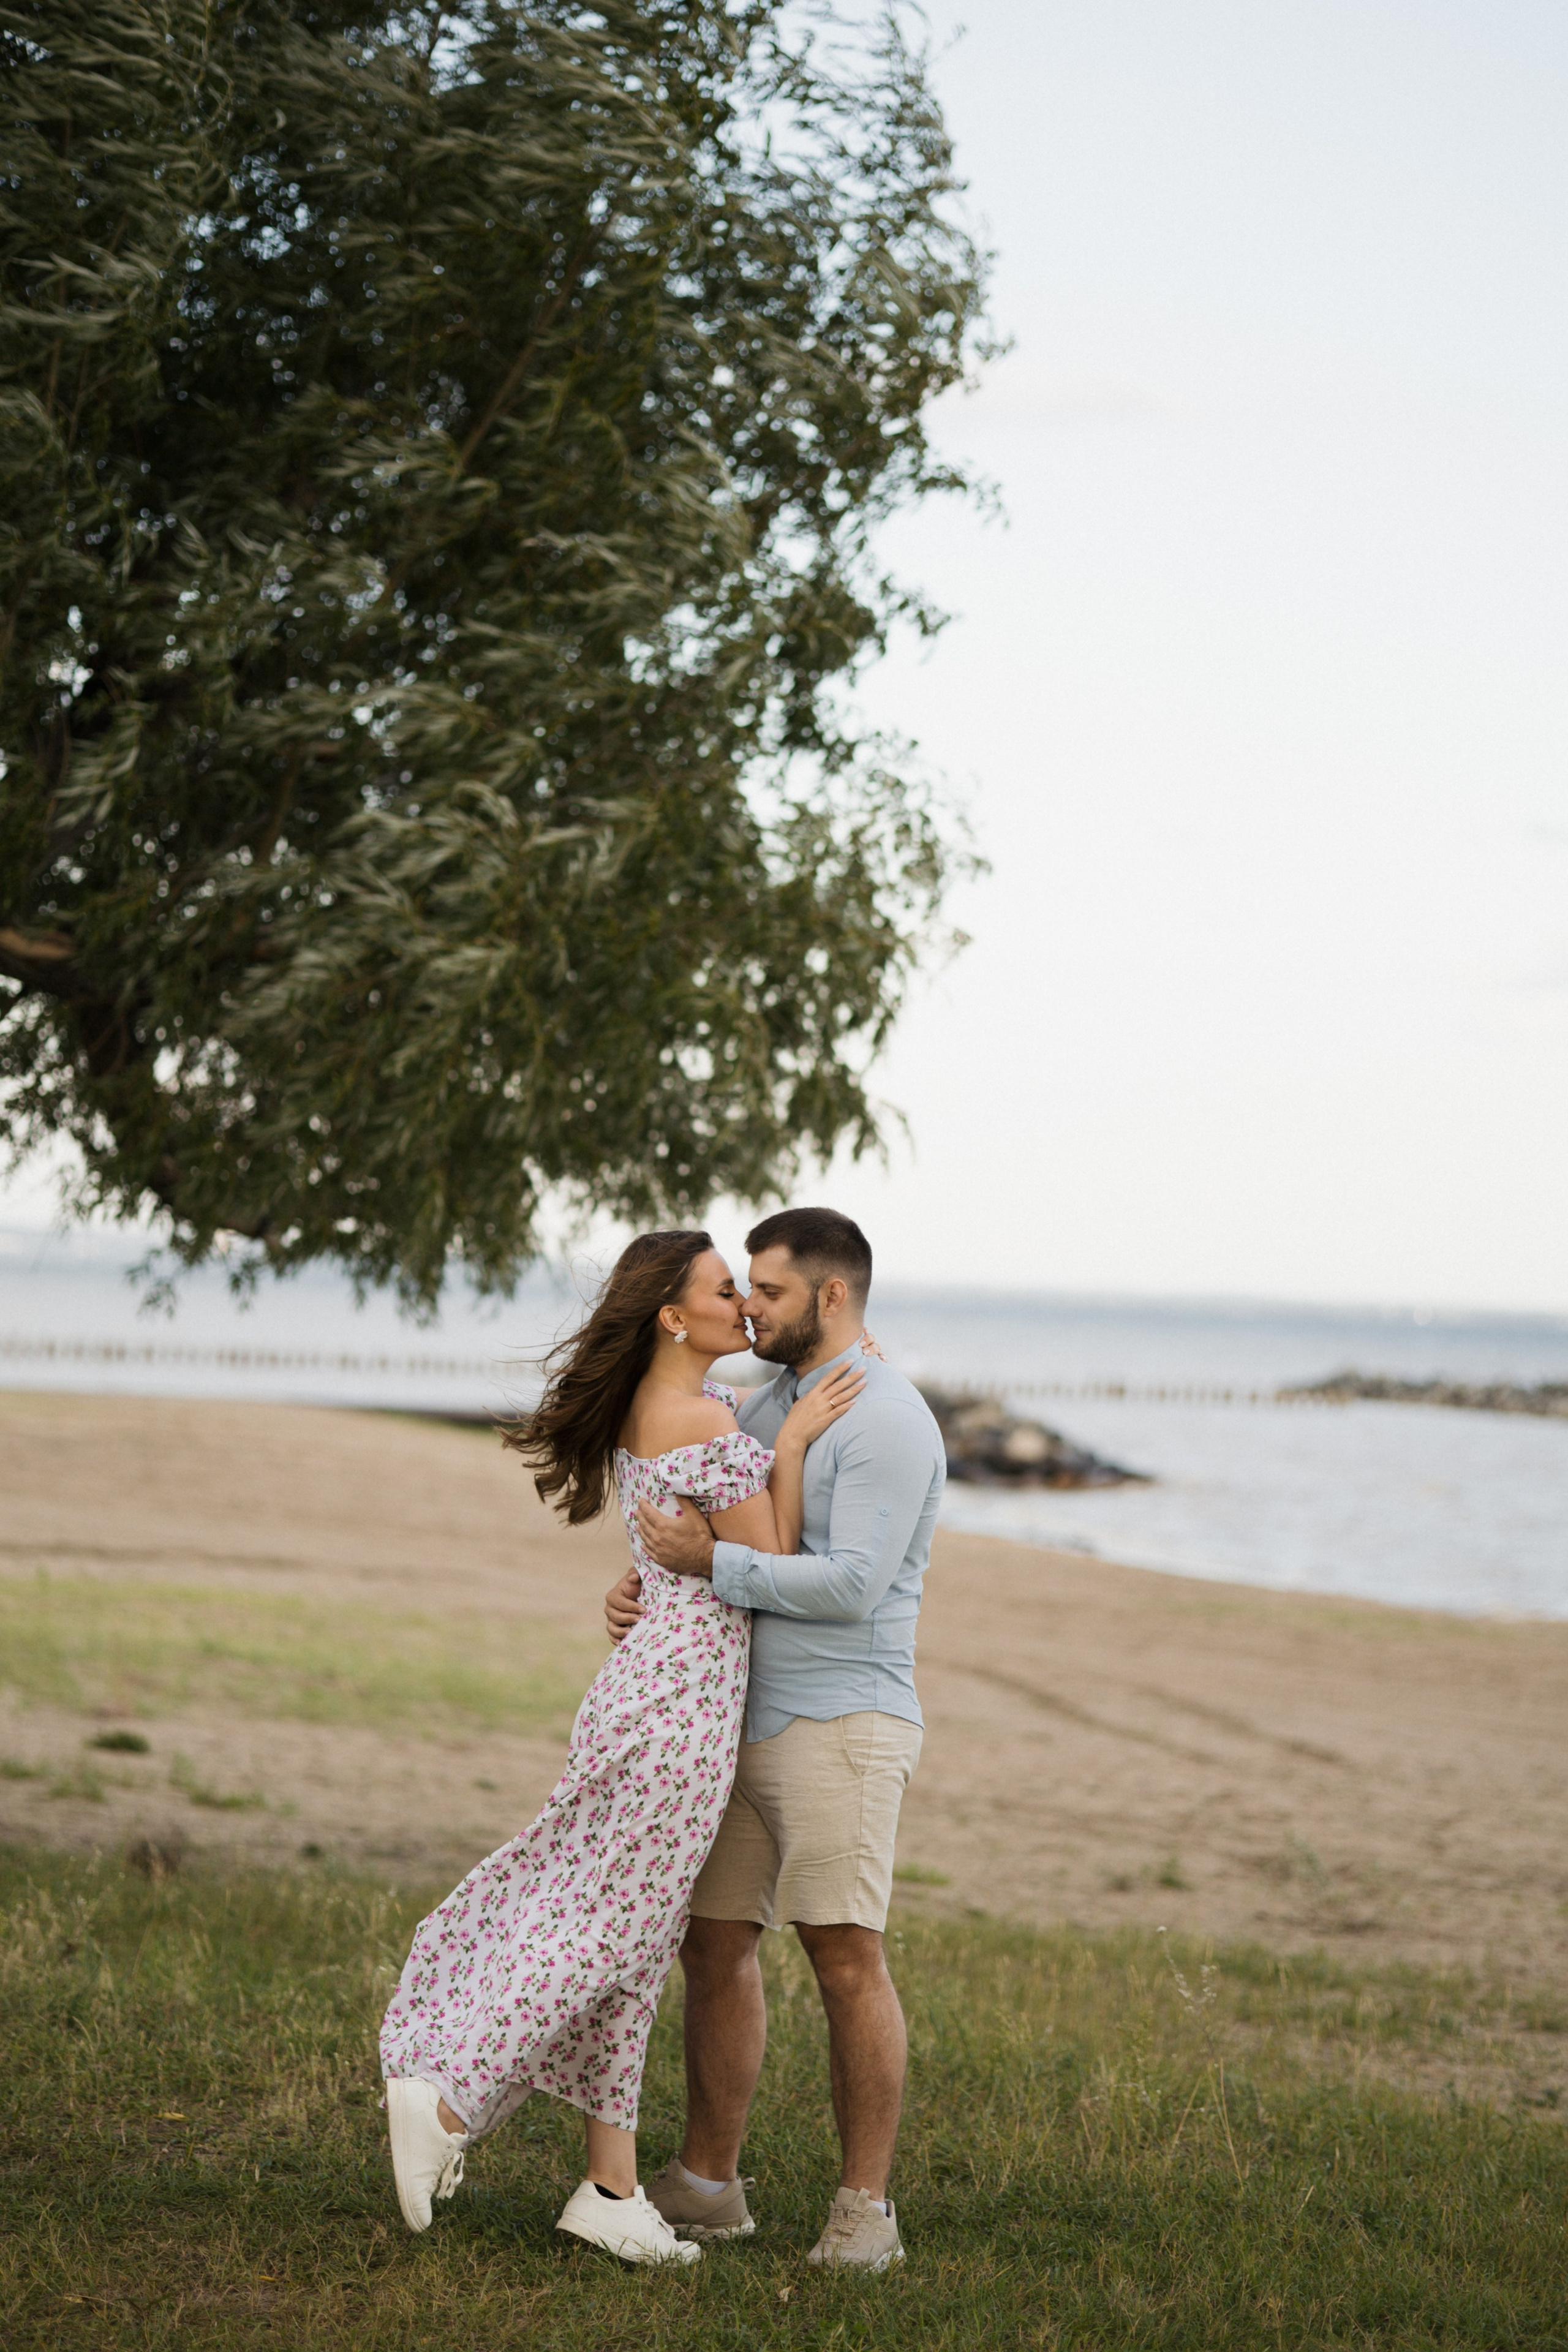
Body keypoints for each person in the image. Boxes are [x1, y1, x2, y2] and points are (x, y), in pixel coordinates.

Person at [378, 1227, 864, 2266]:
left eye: (747, 1289)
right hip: (680, 1707)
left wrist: (650, 1577)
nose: (744, 1305)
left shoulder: (663, 1409)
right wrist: (789, 1448)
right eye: (724, 1291)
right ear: (672, 1319)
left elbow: (674, 1553)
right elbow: (771, 1558)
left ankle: (610, 2186)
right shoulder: (709, 1419)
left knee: (631, 1939)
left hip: (646, 1687)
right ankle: (452, 2103)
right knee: (613, 1933)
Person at [606, 1205, 946, 2274]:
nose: (751, 1305)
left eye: (771, 1290)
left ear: (832, 1297)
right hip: (737, 1718)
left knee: (844, 1957)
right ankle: (709, 2185)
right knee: (713, 1943)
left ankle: (865, 2214)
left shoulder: (887, 1420)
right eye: (743, 1286)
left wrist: (710, 1568)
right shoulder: (769, 1400)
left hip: (844, 1722)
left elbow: (850, 1587)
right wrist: (645, 1577)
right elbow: (710, 1500)